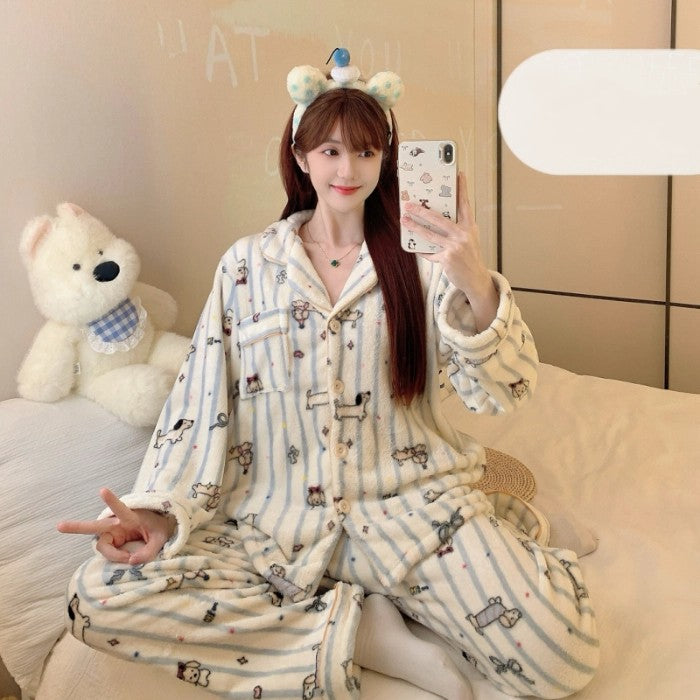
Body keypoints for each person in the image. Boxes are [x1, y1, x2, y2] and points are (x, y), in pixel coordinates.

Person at [58, 51, 598, 699]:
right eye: (331, 151)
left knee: (564, 655)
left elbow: (504, 390)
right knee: (98, 595)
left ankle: (509, 533)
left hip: (413, 514)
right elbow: (199, 403)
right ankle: (360, 635)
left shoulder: (424, 264)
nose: (348, 170)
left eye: (366, 152)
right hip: (275, 524)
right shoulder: (246, 266)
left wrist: (475, 280)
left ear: (386, 160)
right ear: (301, 156)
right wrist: (160, 512)